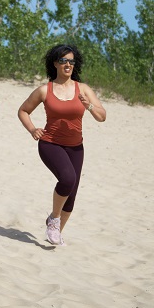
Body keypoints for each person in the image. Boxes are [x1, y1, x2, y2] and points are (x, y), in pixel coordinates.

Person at [17, 44, 106, 246]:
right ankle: (54, 220)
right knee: (67, 179)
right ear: (55, 63)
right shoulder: (44, 90)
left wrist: (88, 105)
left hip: (76, 147)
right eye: (64, 60)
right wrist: (32, 129)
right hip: (50, 144)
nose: (68, 64)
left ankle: (55, 233)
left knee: (71, 195)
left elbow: (102, 117)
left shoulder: (83, 89)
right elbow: (23, 111)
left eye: (71, 61)